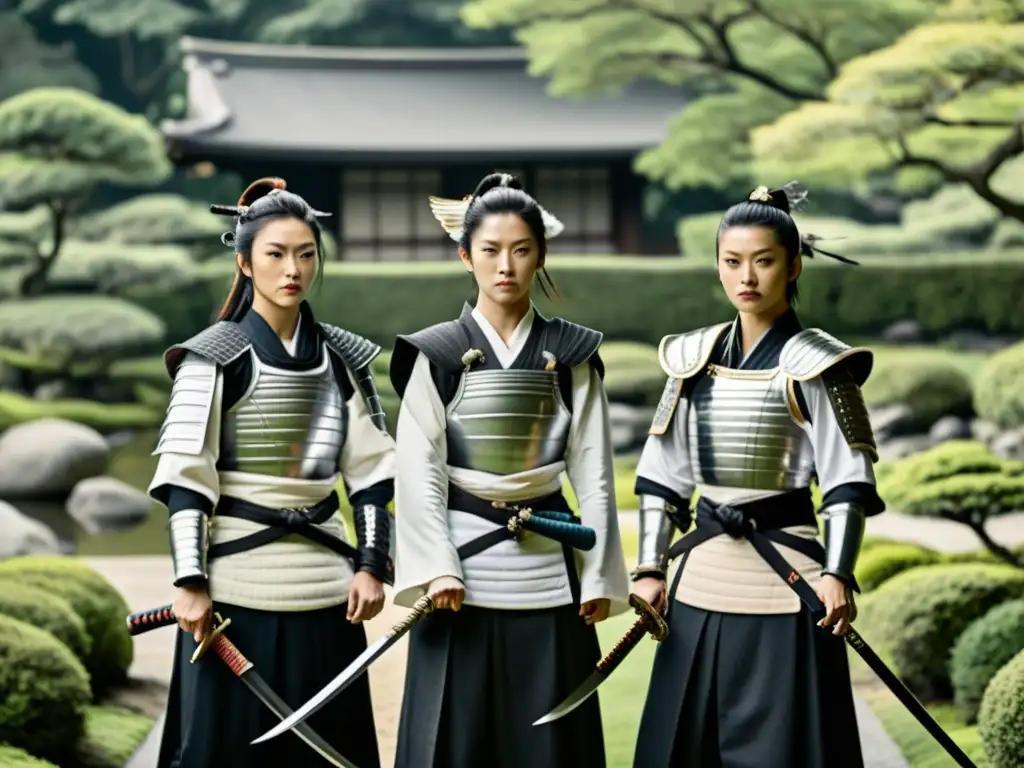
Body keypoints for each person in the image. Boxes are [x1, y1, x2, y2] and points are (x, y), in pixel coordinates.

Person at [630, 183, 884, 768]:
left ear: (793, 265)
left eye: (764, 261)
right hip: (700, 578)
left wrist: (838, 574)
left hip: (789, 577)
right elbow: (661, 479)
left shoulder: (821, 365)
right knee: (684, 744)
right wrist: (649, 570)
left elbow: (849, 482)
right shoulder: (692, 360)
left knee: (787, 747)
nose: (747, 276)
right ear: (718, 266)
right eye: (732, 262)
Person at [148, 177, 396, 768]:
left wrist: (371, 566)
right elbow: (186, 478)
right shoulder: (213, 355)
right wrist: (190, 582)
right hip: (236, 593)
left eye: (306, 254)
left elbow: (371, 473)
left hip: (327, 591)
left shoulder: (342, 358)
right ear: (245, 261)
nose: (293, 269)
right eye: (276, 254)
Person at [388, 172, 631, 768]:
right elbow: (418, 468)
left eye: (521, 250)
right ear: (465, 255)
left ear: (540, 255)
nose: (506, 266)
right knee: (453, 743)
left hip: (550, 570)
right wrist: (436, 566)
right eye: (491, 251)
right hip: (458, 580)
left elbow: (594, 470)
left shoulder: (570, 354)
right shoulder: (439, 352)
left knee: (550, 748)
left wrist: (598, 577)